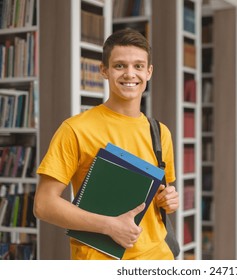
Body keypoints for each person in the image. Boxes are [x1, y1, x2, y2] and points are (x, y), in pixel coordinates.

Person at [33, 29, 179, 260]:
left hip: (158, 259)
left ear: (149, 72)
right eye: (120, 66)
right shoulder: (76, 129)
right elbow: (43, 204)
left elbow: (164, 196)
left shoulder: (160, 132)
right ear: (104, 70)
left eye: (138, 66)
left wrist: (169, 199)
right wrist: (108, 226)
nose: (130, 74)